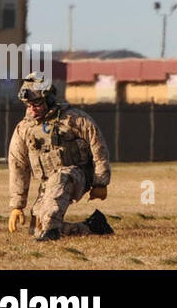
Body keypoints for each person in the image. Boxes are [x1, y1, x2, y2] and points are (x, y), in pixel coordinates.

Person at [7, 72, 114, 241]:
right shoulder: (24, 129)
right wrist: (17, 205)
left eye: (37, 104)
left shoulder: (74, 119)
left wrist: (100, 182)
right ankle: (93, 227)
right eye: (28, 105)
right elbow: (18, 164)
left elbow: (98, 147)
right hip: (48, 183)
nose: (32, 109)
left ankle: (51, 233)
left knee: (59, 179)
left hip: (76, 176)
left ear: (49, 100)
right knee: (37, 228)